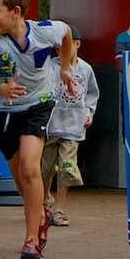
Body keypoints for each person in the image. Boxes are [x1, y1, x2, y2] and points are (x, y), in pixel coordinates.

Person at [0, 0, 79, 259]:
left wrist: (66, 68)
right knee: (23, 182)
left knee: (30, 168)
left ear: (16, 11)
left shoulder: (46, 31)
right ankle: (40, 213)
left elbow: (67, 33)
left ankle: (32, 240)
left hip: (38, 106)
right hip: (4, 113)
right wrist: (1, 88)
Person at [40, 41, 99, 229]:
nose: (61, 52)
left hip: (73, 127)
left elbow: (92, 93)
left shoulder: (86, 69)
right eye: (58, 48)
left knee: (67, 167)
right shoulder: (51, 66)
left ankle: (59, 209)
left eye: (65, 47)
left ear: (77, 44)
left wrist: (88, 112)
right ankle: (44, 201)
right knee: (45, 168)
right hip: (51, 125)